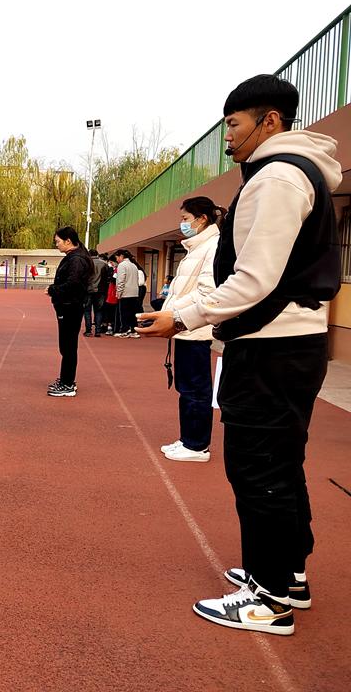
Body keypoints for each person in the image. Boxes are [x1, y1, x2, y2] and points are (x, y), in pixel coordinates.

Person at [138, 74, 341, 635]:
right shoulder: (292, 175)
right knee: (280, 464)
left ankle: (269, 596)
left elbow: (254, 280)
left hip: (273, 347)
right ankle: (287, 576)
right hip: (288, 345)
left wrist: (181, 316)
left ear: (269, 121)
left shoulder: (278, 178)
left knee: (258, 468)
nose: (227, 138)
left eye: (233, 124)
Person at [157, 197, 224, 463]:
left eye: (185, 219)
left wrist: (173, 313)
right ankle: (189, 440)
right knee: (187, 387)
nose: (182, 224)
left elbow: (208, 291)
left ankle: (197, 445)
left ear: (202, 219)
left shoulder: (212, 246)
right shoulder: (196, 247)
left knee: (195, 387)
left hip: (194, 327)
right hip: (184, 326)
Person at [46, 226, 93, 398]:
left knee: (68, 346)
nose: (56, 245)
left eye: (58, 241)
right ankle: (66, 380)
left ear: (68, 241)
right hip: (68, 305)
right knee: (66, 345)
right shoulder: (74, 257)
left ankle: (67, 383)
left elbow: (73, 284)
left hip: (70, 306)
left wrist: (53, 290)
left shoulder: (76, 259)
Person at [113, 250, 140, 337]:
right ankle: (133, 330)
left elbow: (121, 280)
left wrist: (119, 293)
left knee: (124, 313)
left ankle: (124, 330)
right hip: (134, 292)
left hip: (125, 292)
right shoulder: (134, 265)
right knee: (132, 313)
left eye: (117, 257)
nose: (117, 259)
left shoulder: (122, 265)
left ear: (121, 256)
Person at [83, 249, 108, 337]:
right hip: (100, 290)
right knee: (99, 310)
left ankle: (88, 330)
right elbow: (107, 277)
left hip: (88, 290)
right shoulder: (104, 264)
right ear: (97, 254)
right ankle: (98, 331)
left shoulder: (86, 263)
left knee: (87, 311)